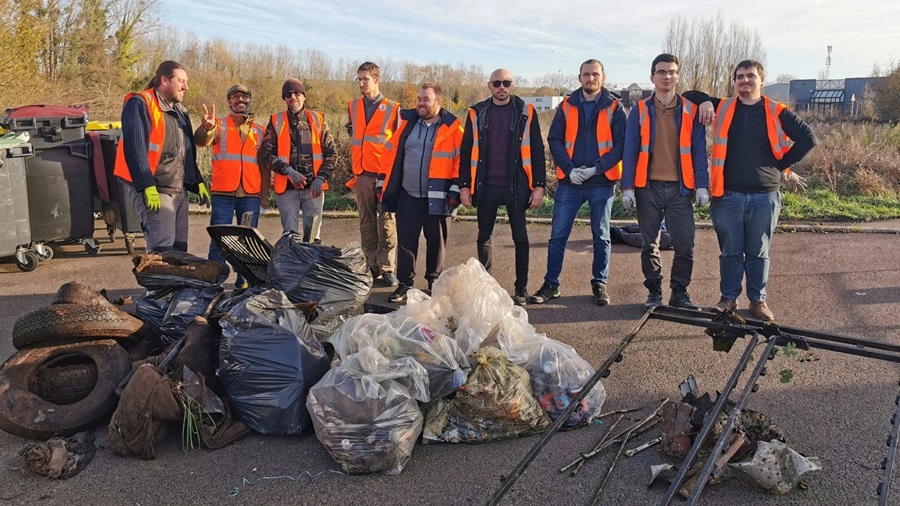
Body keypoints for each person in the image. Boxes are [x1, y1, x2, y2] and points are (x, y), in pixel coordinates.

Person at [684, 59, 816, 321]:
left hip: (764, 195)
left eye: (750, 76)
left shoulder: (776, 111)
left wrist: (780, 166)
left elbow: (808, 138)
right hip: (728, 194)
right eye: (740, 77)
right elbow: (688, 95)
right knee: (730, 251)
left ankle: (758, 300)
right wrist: (706, 101)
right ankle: (728, 299)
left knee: (758, 251)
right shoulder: (724, 106)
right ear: (734, 82)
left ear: (761, 80)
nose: (745, 81)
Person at [530, 59, 626, 306]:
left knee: (601, 236)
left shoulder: (615, 107)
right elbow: (554, 140)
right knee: (558, 236)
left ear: (603, 77)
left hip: (602, 182)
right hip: (570, 182)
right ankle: (552, 284)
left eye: (595, 74)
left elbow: (621, 146)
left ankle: (599, 283)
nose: (590, 78)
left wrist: (596, 168)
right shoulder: (566, 105)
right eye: (586, 74)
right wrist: (570, 170)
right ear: (579, 77)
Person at [622, 54, 709, 310]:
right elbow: (629, 151)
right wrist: (627, 187)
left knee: (685, 245)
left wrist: (702, 184)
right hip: (646, 188)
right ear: (652, 77)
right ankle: (654, 292)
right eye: (661, 72)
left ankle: (679, 292)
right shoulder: (638, 111)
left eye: (671, 72)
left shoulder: (691, 111)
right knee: (649, 244)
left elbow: (698, 152)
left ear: (678, 76)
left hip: (679, 191)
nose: (666, 76)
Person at [459, 68, 546, 306]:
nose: (502, 87)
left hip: (516, 186)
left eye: (506, 83)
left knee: (521, 237)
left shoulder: (526, 112)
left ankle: (521, 289)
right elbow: (466, 151)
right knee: (484, 237)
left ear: (512, 84)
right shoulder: (477, 112)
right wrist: (464, 186)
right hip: (485, 185)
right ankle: (486, 287)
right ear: (489, 85)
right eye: (497, 83)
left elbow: (537, 150)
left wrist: (539, 186)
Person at [379, 83, 463, 303]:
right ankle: (405, 285)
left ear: (438, 102)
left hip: (439, 194)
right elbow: (389, 153)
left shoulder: (453, 128)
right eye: (419, 99)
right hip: (408, 193)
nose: (420, 103)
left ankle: (434, 284)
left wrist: (456, 188)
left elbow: (460, 160)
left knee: (436, 241)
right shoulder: (407, 124)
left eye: (426, 99)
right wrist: (382, 181)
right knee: (406, 241)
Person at [114, 60, 209, 253]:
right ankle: (160, 284)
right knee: (162, 250)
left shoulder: (180, 111)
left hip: (177, 187)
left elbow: (186, 149)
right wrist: (146, 184)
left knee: (179, 249)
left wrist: (196, 180)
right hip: (155, 188)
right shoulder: (140, 103)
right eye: (181, 81)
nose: (186, 87)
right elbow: (135, 147)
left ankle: (178, 284)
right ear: (165, 80)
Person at [194, 84, 265, 290]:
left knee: (249, 241)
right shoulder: (218, 124)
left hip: (250, 193)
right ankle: (213, 282)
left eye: (244, 97)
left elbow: (265, 163)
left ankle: (245, 282)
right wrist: (206, 127)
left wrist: (265, 195)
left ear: (250, 101)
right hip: (223, 192)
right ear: (229, 102)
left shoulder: (260, 130)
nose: (240, 100)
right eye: (235, 97)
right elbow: (201, 141)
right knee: (219, 240)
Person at [258, 79, 338, 242]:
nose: (293, 97)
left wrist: (321, 179)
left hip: (313, 189)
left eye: (297, 93)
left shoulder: (318, 120)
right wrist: (289, 172)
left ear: (304, 96)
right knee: (289, 238)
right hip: (287, 189)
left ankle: (312, 268)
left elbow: (331, 153)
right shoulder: (276, 121)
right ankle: (291, 267)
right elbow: (266, 154)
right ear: (284, 98)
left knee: (313, 237)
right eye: (288, 94)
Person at [346, 62, 401, 286]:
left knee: (386, 223)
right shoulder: (353, 106)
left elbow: (398, 144)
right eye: (358, 79)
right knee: (366, 223)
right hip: (362, 175)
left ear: (376, 80)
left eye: (365, 79)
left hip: (384, 177)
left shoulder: (392, 108)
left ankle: (387, 267)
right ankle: (371, 266)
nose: (361, 83)